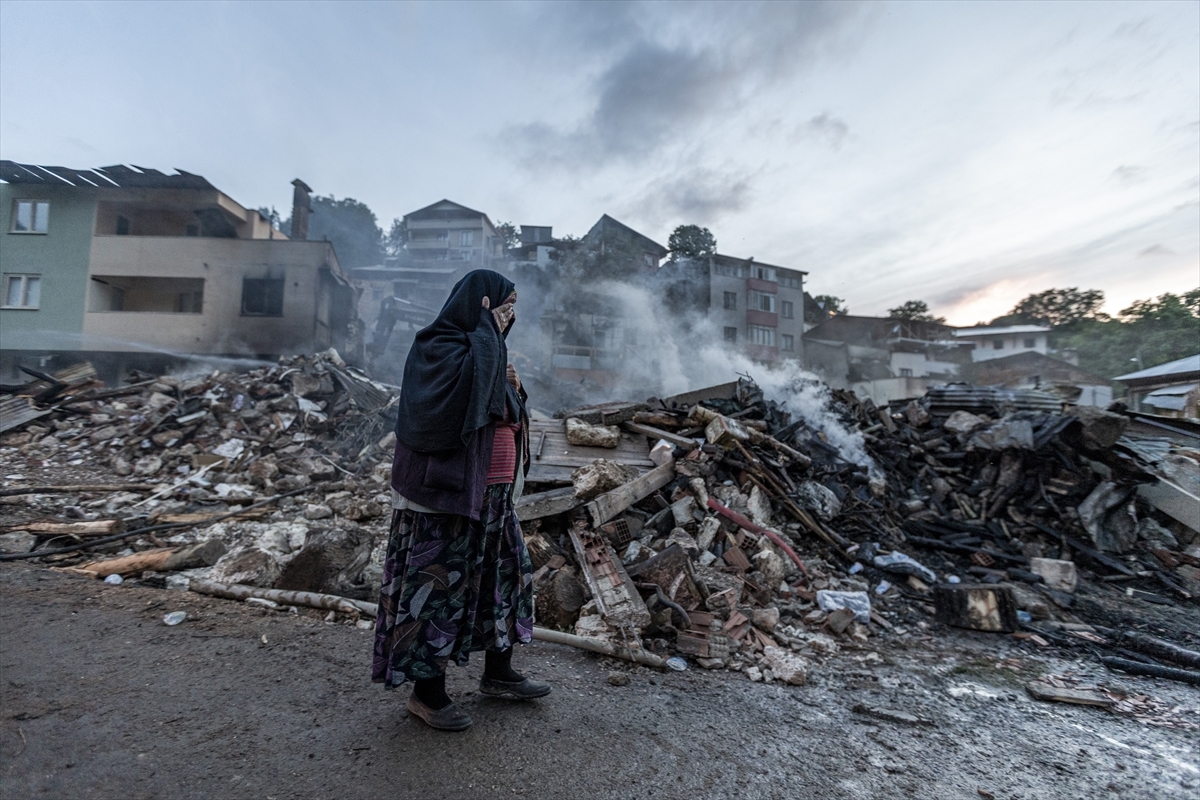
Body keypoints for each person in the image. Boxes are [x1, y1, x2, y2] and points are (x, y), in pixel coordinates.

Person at [372, 269, 549, 731]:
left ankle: (499, 673)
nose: (511, 316)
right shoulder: (439, 346)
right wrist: (491, 351)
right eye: (505, 305)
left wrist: (507, 377)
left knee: (504, 580)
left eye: (515, 308)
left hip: (491, 499)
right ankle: (427, 695)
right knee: (437, 592)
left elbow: (504, 415)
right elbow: (446, 408)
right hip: (445, 498)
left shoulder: (487, 352)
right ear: (481, 303)